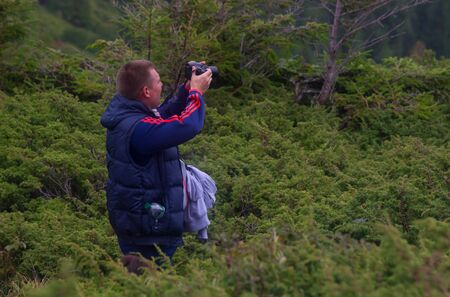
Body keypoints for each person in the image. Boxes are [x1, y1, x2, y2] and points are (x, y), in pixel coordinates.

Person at [100, 60, 212, 272]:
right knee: (148, 285)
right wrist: (197, 93)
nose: (162, 85)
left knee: (138, 282)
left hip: (140, 224)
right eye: (159, 82)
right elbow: (187, 125)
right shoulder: (140, 130)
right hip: (148, 230)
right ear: (146, 91)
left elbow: (164, 113)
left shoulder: (128, 116)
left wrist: (187, 88)